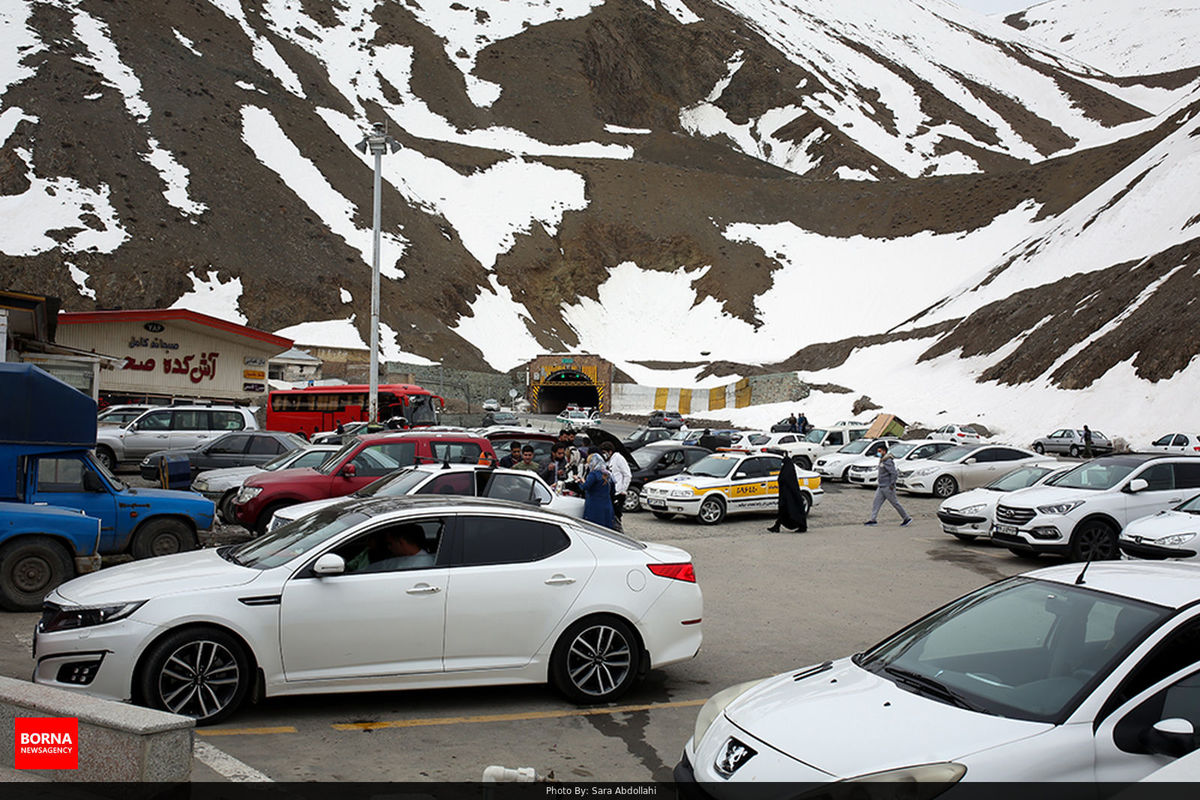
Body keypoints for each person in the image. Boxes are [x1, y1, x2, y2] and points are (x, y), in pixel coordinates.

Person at [865, 444, 912, 527]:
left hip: (887, 487)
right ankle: (873, 519)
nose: (878, 453)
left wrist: (892, 484)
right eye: (878, 451)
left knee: (895, 503)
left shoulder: (888, 461)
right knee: (876, 503)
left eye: (880, 451)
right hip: (881, 486)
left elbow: (893, 473)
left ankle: (906, 518)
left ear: (884, 451)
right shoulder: (882, 460)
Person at [358, 525, 435, 573]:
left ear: (401, 542)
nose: (389, 547)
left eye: (390, 543)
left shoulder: (422, 564)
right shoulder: (401, 558)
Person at [767, 454, 808, 532]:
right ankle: (777, 526)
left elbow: (787, 481)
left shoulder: (788, 472)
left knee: (791, 512)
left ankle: (802, 526)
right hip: (786, 496)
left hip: (790, 497)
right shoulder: (788, 470)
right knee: (783, 512)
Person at [601, 442, 631, 531]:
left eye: (604, 452)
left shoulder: (618, 458)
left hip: (618, 492)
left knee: (616, 516)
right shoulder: (607, 460)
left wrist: (623, 490)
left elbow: (627, 475)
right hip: (609, 492)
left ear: (610, 452)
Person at [582, 452, 615, 529]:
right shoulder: (608, 474)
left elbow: (585, 487)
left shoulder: (593, 474)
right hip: (607, 505)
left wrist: (580, 481)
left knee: (594, 529)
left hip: (594, 506)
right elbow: (613, 490)